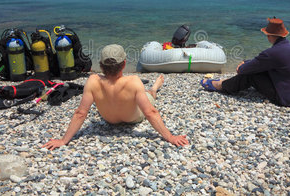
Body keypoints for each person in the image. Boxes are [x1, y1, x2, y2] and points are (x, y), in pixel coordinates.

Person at [42, 44, 189, 150]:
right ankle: (154, 88)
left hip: (109, 120)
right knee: (148, 95)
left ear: (101, 65)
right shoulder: (133, 82)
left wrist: (64, 140)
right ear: (124, 64)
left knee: (144, 94)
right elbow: (150, 112)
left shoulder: (93, 81)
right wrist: (170, 137)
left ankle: (154, 87)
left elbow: (81, 113)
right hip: (134, 118)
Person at [201, 17, 290, 107]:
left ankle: (221, 85)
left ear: (269, 35)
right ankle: (225, 82)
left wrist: (242, 66)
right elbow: (261, 62)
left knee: (250, 75)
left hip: (286, 99)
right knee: (255, 67)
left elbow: (243, 70)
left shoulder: (273, 53)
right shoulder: (289, 48)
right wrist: (246, 62)